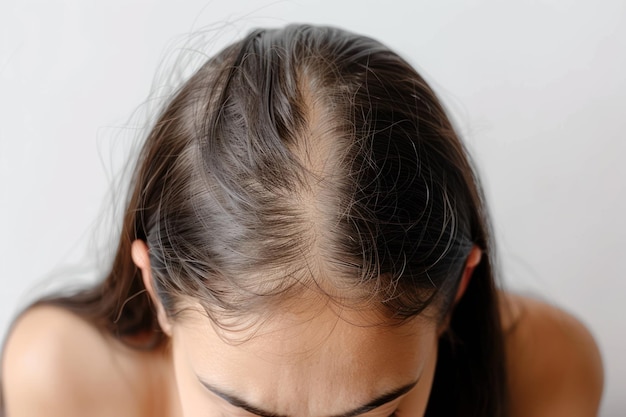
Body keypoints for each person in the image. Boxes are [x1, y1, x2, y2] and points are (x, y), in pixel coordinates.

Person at [1, 24, 603, 417]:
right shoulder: (61, 383)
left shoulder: (548, 372)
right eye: (247, 414)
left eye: (378, 415)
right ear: (156, 286)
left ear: (457, 291)